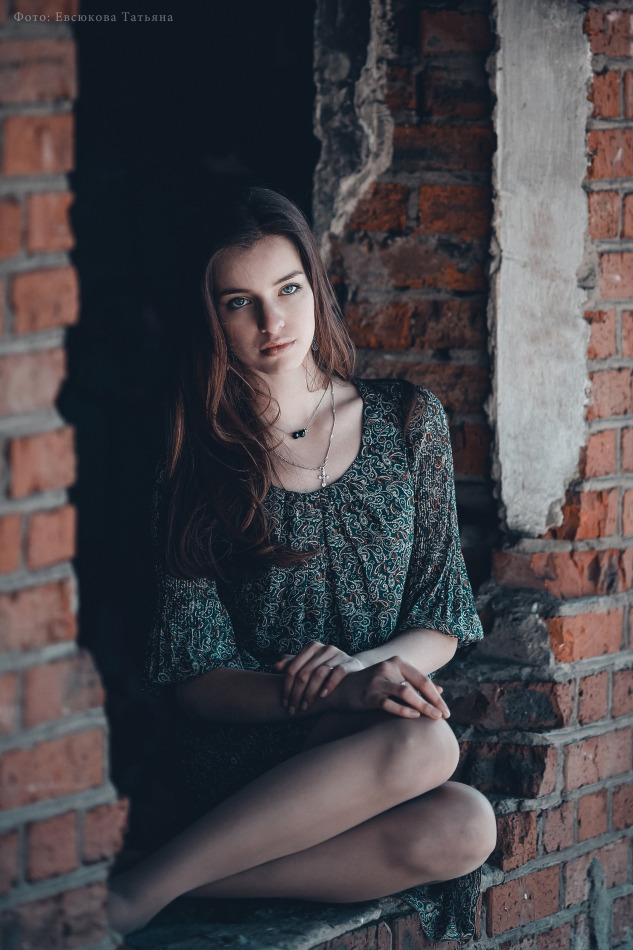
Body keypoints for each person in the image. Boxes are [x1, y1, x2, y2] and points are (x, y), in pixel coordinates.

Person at [107, 187, 497, 940]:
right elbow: (198, 684)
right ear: (210, 317)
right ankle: (145, 891)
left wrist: (362, 676)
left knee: (465, 827)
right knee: (428, 743)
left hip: (369, 745)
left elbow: (440, 619)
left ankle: (169, 877)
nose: (270, 321)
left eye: (286, 290)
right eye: (237, 302)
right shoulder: (193, 456)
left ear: (314, 287)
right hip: (248, 759)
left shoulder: (407, 420)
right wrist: (334, 696)